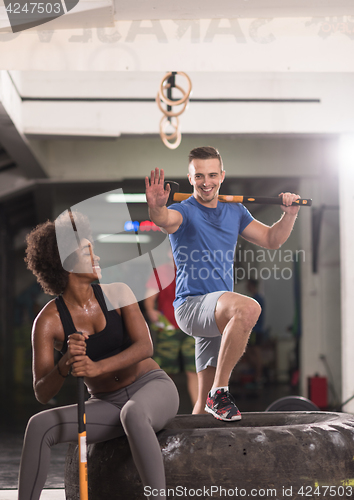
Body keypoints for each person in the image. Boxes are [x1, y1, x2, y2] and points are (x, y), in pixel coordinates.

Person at [18, 211, 179, 500]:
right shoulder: (49, 322)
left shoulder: (118, 292)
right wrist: (64, 364)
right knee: (39, 425)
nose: (97, 256)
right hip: (107, 404)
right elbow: (43, 391)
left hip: (152, 388)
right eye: (86, 250)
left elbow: (145, 347)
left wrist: (96, 367)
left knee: (134, 413)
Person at [145, 146, 301, 421]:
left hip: (218, 313)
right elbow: (164, 219)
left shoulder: (235, 211)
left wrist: (289, 215)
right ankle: (221, 393)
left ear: (222, 176)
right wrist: (156, 207)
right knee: (248, 308)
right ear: (190, 177)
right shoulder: (183, 211)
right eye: (200, 175)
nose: (207, 182)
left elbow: (272, 240)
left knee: (200, 410)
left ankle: (187, 457)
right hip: (192, 306)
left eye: (213, 175)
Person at [144, 255, 198, 407]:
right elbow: (150, 298)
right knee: (166, 372)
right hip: (168, 328)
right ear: (169, 253)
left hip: (191, 328)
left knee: (194, 370)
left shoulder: (194, 271)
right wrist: (150, 310)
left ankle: (199, 411)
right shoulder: (161, 272)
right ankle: (164, 408)